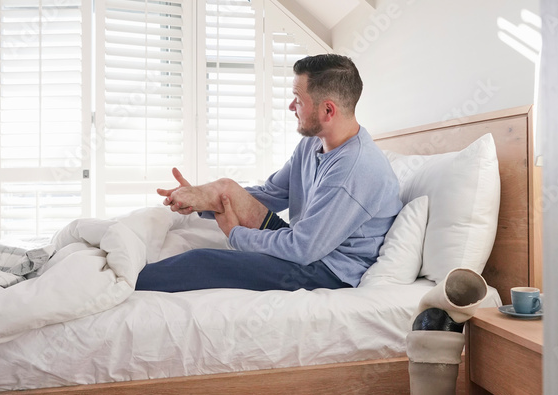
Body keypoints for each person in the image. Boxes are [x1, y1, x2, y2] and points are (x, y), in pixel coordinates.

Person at [135, 54, 402, 292]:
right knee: (226, 187)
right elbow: (270, 193)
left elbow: (302, 248)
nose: (291, 107)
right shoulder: (312, 144)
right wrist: (203, 198)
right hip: (306, 244)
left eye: (298, 100)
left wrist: (235, 234)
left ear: (328, 110)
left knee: (202, 261)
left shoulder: (356, 169)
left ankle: (123, 284)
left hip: (328, 269)